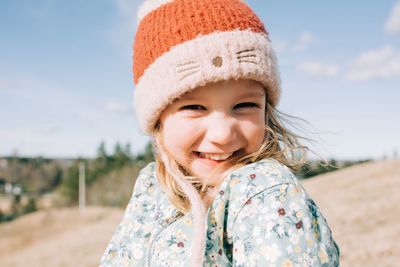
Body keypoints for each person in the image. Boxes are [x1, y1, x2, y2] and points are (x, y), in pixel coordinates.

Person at [100, 0, 340, 266]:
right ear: (158, 120)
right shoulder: (150, 187)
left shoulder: (265, 190)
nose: (223, 134)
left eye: (244, 105)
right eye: (194, 107)